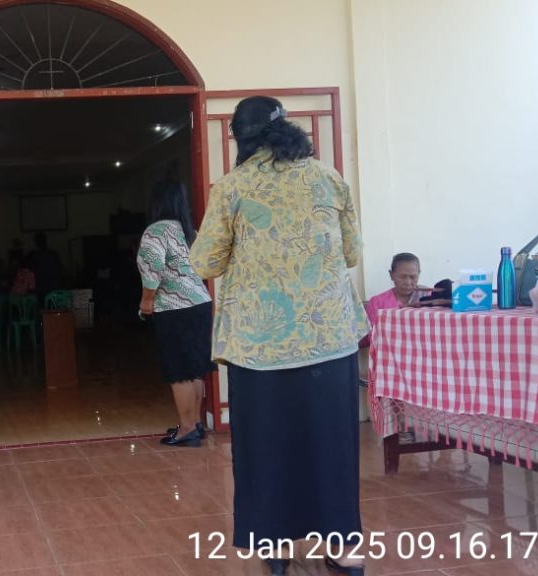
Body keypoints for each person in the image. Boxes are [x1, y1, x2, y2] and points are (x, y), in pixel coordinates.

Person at [190, 96, 369, 576]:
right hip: (329, 339)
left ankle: (276, 545)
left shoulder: (233, 188)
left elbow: (205, 262)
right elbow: (352, 253)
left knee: (267, 448)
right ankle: (345, 549)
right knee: (332, 446)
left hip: (260, 347)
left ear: (241, 139)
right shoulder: (328, 177)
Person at [136, 180, 214, 447]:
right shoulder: (188, 230)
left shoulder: (155, 231)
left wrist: (146, 301)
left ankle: (187, 429)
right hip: (200, 303)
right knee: (194, 369)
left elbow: (152, 268)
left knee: (179, 370)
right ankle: (195, 424)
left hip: (174, 308)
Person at [26, 232, 65, 305]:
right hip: (55, 289)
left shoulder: (35, 256)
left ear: (36, 243)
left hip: (42, 290)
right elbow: (61, 269)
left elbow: (30, 271)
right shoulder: (54, 254)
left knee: (42, 306)